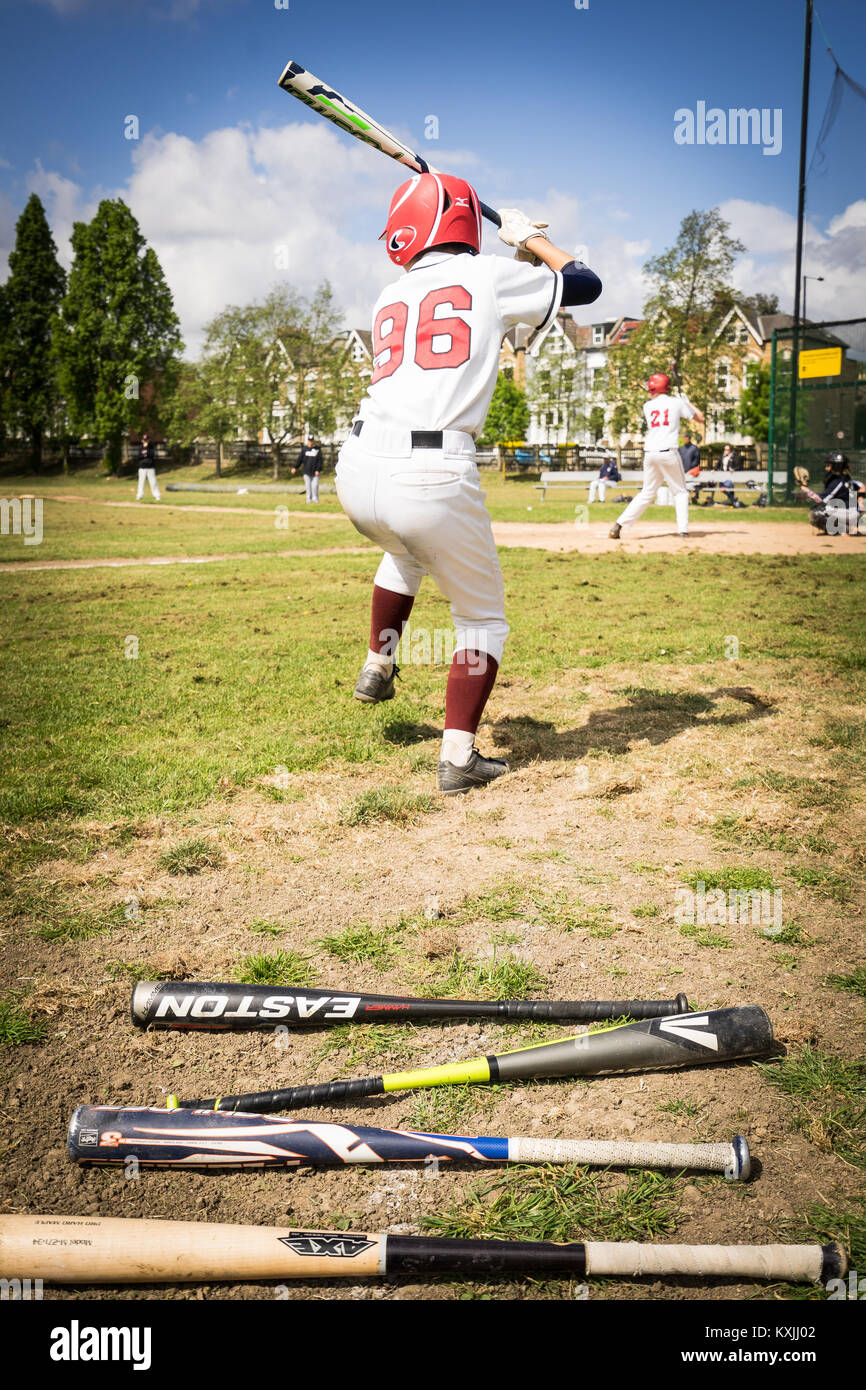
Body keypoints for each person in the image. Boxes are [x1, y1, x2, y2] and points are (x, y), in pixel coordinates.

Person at [335, 172, 602, 794]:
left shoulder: (387, 295)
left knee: (403, 555)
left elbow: (486, 317)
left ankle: (379, 663)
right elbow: (585, 284)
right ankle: (457, 758)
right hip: (432, 470)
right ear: (462, 223)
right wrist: (533, 241)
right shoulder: (486, 277)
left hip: (358, 466)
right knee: (482, 620)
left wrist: (509, 252)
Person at [609, 374, 704, 539]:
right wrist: (687, 402)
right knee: (680, 492)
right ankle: (683, 530)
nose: (649, 392)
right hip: (669, 452)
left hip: (650, 454)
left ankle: (618, 525)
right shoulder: (676, 402)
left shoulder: (648, 406)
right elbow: (700, 418)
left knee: (647, 492)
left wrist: (681, 402)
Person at [808, 451, 865, 534]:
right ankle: (849, 526)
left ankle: (844, 530)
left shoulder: (838, 482)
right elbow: (863, 487)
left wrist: (804, 488)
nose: (826, 468)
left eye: (828, 465)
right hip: (853, 513)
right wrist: (860, 500)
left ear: (836, 466)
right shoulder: (848, 480)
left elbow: (819, 500)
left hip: (848, 513)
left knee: (816, 512)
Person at [293, 435, 323, 503]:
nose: (311, 442)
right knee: (308, 486)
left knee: (315, 486)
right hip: (306, 471)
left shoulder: (317, 449)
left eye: (312, 440)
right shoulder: (304, 449)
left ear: (313, 441)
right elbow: (299, 459)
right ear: (308, 441)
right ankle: (308, 499)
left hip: (315, 472)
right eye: (309, 440)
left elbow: (320, 461)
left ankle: (315, 498)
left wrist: (318, 469)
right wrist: (295, 467)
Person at [135, 433, 160, 501]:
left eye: (147, 440)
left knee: (153, 482)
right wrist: (144, 454)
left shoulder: (151, 447)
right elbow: (139, 456)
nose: (146, 441)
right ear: (142, 440)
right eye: (144, 440)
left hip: (150, 467)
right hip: (142, 467)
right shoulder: (140, 447)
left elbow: (152, 454)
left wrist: (146, 451)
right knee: (141, 482)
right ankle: (139, 495)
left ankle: (157, 495)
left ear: (148, 440)